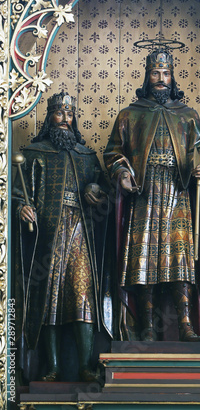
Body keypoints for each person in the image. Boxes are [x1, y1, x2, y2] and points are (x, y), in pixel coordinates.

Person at [104, 47, 200, 342]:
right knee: (144, 258)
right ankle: (147, 325)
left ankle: (187, 323)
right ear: (147, 76)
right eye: (155, 73)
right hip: (145, 193)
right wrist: (122, 173)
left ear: (172, 76)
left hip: (177, 192)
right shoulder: (130, 114)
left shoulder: (187, 115)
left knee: (180, 257)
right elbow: (113, 152)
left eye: (165, 73)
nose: (161, 79)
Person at [13, 91, 110, 382]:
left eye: (69, 114)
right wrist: (22, 207)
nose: (65, 119)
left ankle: (85, 365)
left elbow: (103, 191)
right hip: (48, 233)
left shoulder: (87, 156)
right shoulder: (33, 154)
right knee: (49, 299)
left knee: (82, 296)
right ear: (50, 117)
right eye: (59, 113)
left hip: (80, 231)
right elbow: (18, 192)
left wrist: (97, 194)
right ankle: (52, 367)